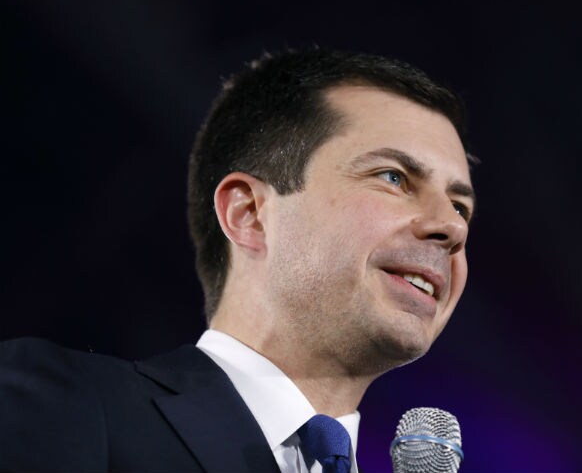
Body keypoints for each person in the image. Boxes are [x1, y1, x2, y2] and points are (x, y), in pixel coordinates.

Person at [0, 48, 475, 472]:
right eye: (393, 177)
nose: (452, 228)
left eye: (460, 207)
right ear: (248, 213)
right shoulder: (70, 404)